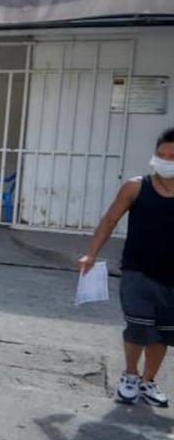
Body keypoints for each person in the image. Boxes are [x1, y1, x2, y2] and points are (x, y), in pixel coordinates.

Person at [77, 127, 174, 408]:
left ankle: (148, 381)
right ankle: (130, 376)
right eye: (161, 154)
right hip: (137, 271)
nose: (166, 160)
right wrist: (91, 255)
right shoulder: (136, 186)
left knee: (163, 333)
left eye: (172, 156)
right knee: (138, 327)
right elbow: (110, 220)